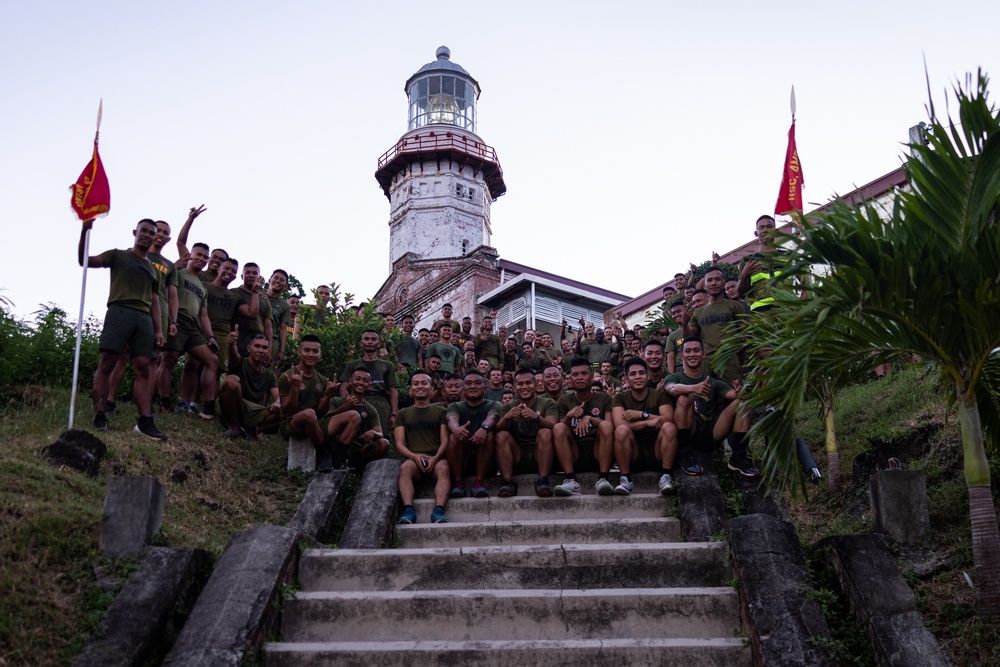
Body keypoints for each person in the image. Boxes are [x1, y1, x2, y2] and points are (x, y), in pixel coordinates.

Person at [79, 218, 166, 440]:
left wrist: (158, 330)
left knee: (144, 366)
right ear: (135, 232)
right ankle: (100, 414)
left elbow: (154, 300)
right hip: (119, 311)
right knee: (107, 361)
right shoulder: (118, 255)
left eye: (152, 233)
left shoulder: (152, 270)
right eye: (144, 231)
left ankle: (145, 421)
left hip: (144, 318)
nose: (147, 235)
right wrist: (85, 230)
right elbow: (84, 261)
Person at [664, 337, 758, 477]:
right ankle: (685, 453)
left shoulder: (713, 382)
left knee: (741, 403)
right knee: (684, 399)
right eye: (688, 351)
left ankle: (738, 457)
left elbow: (732, 395)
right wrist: (693, 388)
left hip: (712, 433)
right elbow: (671, 389)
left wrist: (739, 392)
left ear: (703, 354)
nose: (692, 354)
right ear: (682, 356)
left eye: (696, 350)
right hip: (689, 432)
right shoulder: (675, 377)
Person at [156, 243, 219, 419]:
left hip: (193, 327)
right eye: (198, 255)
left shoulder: (202, 286)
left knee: (212, 360)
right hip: (175, 320)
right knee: (169, 359)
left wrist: (211, 336)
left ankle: (208, 407)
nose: (201, 259)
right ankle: (165, 402)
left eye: (205, 257)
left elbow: (204, 315)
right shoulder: (178, 272)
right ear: (190, 255)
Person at [610, 357, 681, 496]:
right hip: (633, 453)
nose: (638, 377)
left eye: (641, 373)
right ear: (626, 378)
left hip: (658, 451)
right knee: (621, 430)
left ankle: (666, 477)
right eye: (633, 374)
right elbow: (620, 424)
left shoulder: (658, 394)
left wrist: (642, 414)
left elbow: (668, 419)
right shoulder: (620, 398)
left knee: (669, 428)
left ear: (647, 375)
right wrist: (648, 422)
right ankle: (626, 479)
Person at [552, 358, 614, 495]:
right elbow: (559, 432)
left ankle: (603, 478)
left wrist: (590, 418)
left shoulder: (605, 399)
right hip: (574, 453)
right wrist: (569, 416)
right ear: (570, 378)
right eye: (575, 375)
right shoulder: (564, 400)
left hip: (599, 452)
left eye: (584, 374)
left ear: (591, 377)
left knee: (606, 426)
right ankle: (571, 480)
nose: (580, 378)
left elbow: (609, 426)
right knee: (558, 427)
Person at [396, 370, 451, 525]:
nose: (420, 386)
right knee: (405, 468)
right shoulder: (403, 413)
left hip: (436, 457)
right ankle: (408, 510)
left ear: (431, 388)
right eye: (416, 383)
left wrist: (435, 458)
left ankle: (439, 510)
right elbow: (399, 443)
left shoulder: (441, 411)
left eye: (424, 383)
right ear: (411, 389)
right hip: (414, 459)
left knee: (443, 469)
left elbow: (445, 440)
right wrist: (414, 457)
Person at [494, 368, 559, 497]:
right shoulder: (507, 407)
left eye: (528, 383)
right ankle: (508, 482)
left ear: (535, 384)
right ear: (514, 387)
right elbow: (496, 431)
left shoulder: (547, 403)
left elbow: (554, 427)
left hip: (541, 455)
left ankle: (543, 481)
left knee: (545, 432)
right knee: (501, 435)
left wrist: (536, 417)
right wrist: (507, 417)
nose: (524, 387)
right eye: (520, 384)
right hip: (517, 457)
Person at [277, 334, 339, 471]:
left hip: (314, 422)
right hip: (291, 424)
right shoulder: (287, 377)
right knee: (309, 414)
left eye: (315, 351)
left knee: (353, 415)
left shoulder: (322, 380)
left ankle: (339, 458)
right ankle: (324, 454)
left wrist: (328, 396)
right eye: (307, 350)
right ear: (299, 352)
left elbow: (321, 413)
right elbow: (287, 411)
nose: (311, 354)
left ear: (320, 354)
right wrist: (294, 389)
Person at [684, 265, 745, 384]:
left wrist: (739, 359)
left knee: (736, 394)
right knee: (707, 397)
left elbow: (744, 334)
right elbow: (690, 339)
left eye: (717, 279)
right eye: (709, 280)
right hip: (706, 360)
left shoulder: (735, 306)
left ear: (723, 283)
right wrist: (684, 323)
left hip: (729, 357)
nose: (713, 283)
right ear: (705, 286)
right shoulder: (698, 313)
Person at [445, 369, 499, 498]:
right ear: (463, 388)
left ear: (485, 388)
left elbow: (492, 417)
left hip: (487, 462)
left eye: (477, 383)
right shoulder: (455, 406)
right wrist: (456, 429)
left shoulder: (493, 404)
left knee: (489, 435)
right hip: (462, 459)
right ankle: (458, 483)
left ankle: (479, 482)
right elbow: (451, 419)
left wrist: (484, 428)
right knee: (454, 436)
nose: (473, 386)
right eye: (468, 383)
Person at [218, 331, 281, 438]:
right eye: (257, 346)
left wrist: (277, 403)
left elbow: (277, 397)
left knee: (284, 413)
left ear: (268, 351)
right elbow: (233, 357)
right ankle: (234, 425)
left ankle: (252, 431)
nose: (261, 350)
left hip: (250, 411)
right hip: (228, 406)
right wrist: (232, 344)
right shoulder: (240, 362)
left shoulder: (269, 375)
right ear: (248, 348)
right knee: (231, 381)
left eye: (264, 348)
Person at [326, 367, 391, 469]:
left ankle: (364, 470)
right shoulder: (336, 401)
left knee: (384, 443)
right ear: (351, 381)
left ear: (369, 385)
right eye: (357, 379)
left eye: (365, 381)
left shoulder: (370, 409)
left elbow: (380, 433)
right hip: (336, 447)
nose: (361, 382)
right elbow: (325, 422)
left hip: (359, 449)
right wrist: (344, 407)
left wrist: (373, 433)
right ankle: (338, 459)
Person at [339, 329, 399, 437]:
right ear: (361, 343)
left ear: (379, 343)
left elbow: (393, 391)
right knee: (355, 436)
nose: (370, 342)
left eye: (373, 339)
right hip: (358, 401)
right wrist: (345, 403)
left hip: (381, 404)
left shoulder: (387, 365)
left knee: (381, 438)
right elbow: (344, 386)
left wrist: (394, 413)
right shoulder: (353, 365)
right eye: (366, 339)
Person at [233, 263, 272, 356]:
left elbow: (268, 326)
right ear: (242, 276)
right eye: (248, 272)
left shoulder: (264, 299)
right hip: (238, 337)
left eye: (254, 273)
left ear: (259, 277)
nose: (251, 275)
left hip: (257, 341)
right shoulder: (233, 293)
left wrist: (269, 349)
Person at [265, 269, 291, 367]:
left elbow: (283, 329)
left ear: (285, 286)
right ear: (269, 280)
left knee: (268, 369)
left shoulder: (284, 305)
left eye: (282, 280)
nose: (278, 281)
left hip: (274, 341)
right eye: (275, 278)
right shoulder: (258, 296)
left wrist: (282, 350)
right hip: (255, 335)